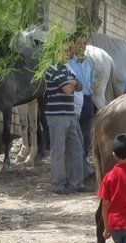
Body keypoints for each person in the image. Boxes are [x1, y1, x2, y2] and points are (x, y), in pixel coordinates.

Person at [45, 44, 85, 194]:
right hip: (57, 115)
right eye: (66, 50)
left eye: (70, 50)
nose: (70, 53)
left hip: (69, 114)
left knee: (76, 148)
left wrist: (73, 84)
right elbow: (69, 90)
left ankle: (75, 183)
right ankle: (58, 184)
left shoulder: (66, 69)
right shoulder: (53, 69)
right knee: (58, 150)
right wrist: (73, 83)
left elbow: (80, 86)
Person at [67, 33, 97, 178]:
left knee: (86, 134)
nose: (82, 46)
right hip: (73, 102)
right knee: (74, 135)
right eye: (79, 43)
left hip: (87, 100)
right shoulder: (69, 63)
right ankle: (74, 169)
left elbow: (91, 80)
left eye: (84, 43)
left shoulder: (89, 62)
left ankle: (84, 166)